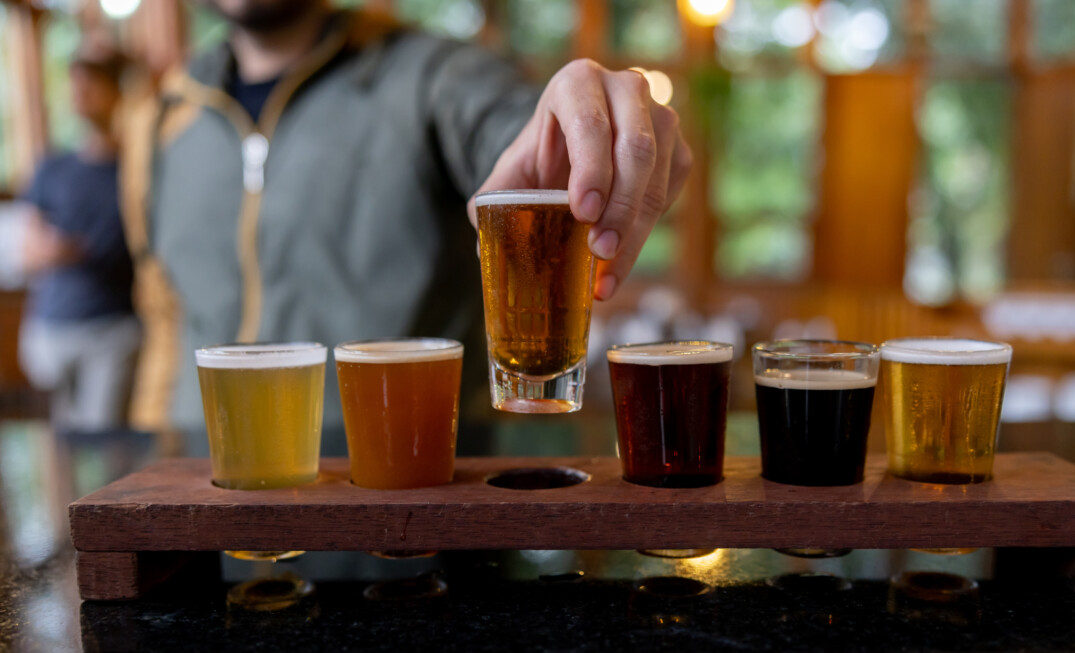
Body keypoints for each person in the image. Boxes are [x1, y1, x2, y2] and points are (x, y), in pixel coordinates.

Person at [124, 0, 690, 430]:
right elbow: (162, 315)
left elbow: (521, 139)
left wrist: (586, 116)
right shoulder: (162, 116)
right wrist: (151, 460)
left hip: (407, 490)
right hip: (206, 485)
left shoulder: (436, 76)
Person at [18, 43, 141, 431]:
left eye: (91, 85)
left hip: (112, 327)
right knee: (61, 437)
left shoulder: (136, 170)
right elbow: (28, 244)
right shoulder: (52, 167)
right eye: (76, 86)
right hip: (51, 328)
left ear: (116, 92)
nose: (80, 95)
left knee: (101, 436)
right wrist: (50, 251)